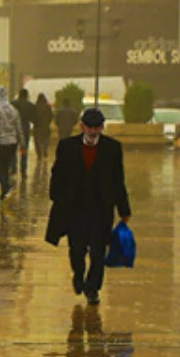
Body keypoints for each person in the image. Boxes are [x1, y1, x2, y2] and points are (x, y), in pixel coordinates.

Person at [46, 108, 132, 305]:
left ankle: (93, 288)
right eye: (89, 127)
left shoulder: (113, 148)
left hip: (101, 210)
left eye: (97, 127)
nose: (93, 132)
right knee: (76, 249)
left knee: (98, 252)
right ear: (81, 126)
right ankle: (78, 275)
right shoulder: (67, 146)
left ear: (102, 127)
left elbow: (118, 180)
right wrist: (57, 198)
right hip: (75, 210)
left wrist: (124, 210)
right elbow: (58, 173)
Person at [0, 86, 25, 201]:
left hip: (0, 142)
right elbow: (19, 128)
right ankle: (4, 195)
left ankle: (8, 187)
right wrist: (22, 143)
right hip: (12, 143)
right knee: (4, 168)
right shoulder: (13, 109)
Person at [13, 89, 37, 174]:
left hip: (14, 129)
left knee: (14, 149)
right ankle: (23, 169)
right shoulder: (30, 105)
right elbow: (34, 118)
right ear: (26, 95)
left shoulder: (13, 104)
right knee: (23, 148)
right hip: (25, 129)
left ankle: (13, 168)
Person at [34, 93, 54, 161]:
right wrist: (47, 122)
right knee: (46, 139)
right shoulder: (48, 107)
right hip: (46, 126)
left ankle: (39, 154)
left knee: (37, 141)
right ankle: (45, 149)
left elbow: (33, 117)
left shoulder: (35, 107)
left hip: (37, 127)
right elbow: (51, 116)